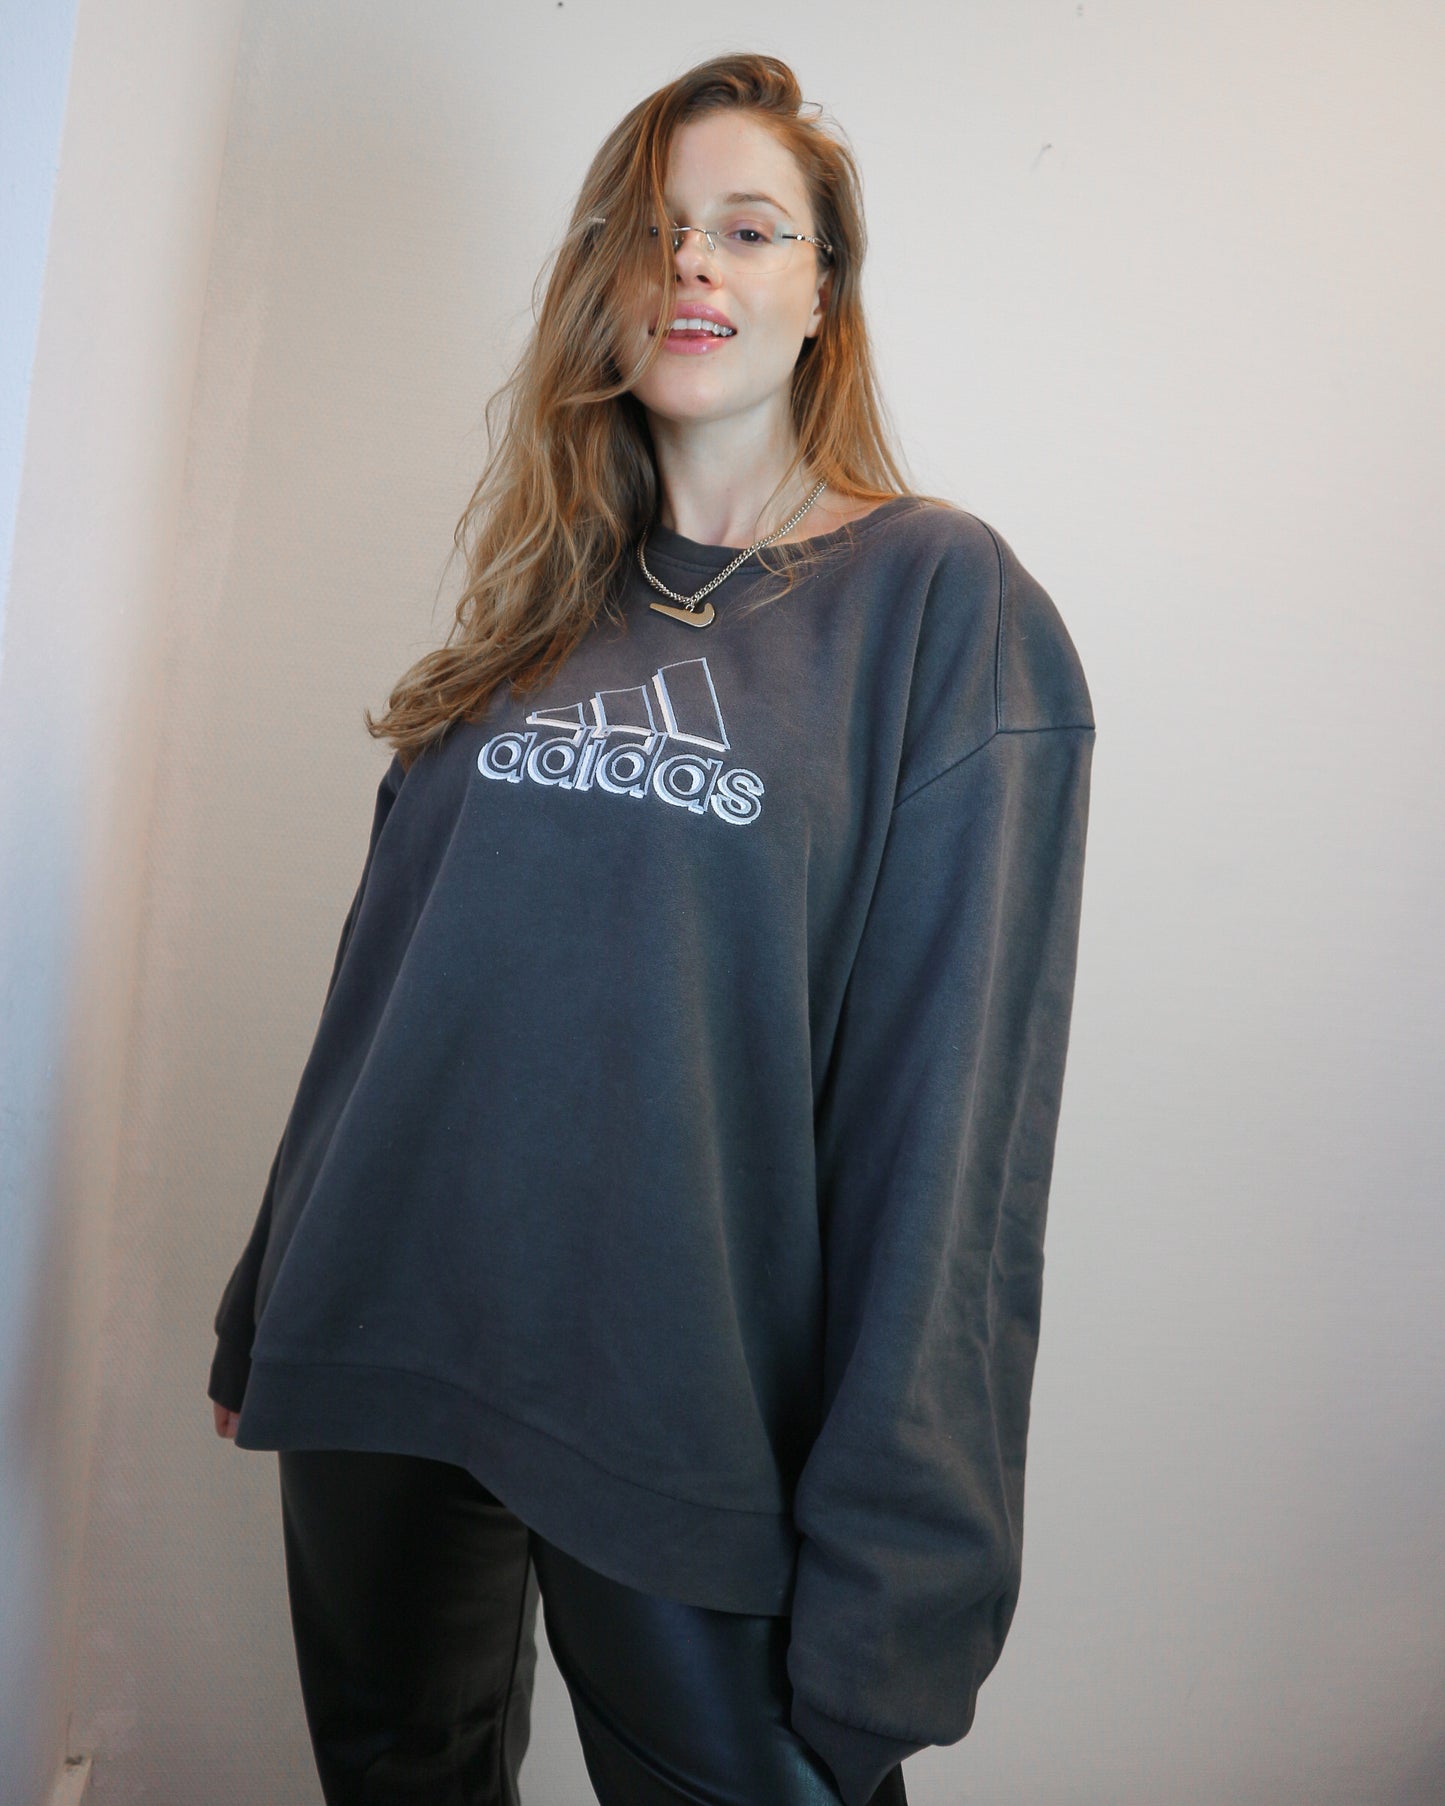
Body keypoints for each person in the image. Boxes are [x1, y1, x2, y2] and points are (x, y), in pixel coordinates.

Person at [207, 49, 1096, 1806]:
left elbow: (957, 1130)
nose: (690, 262)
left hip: (688, 1415)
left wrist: (903, 1562)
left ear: (821, 293)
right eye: (649, 230)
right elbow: (385, 990)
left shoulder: (939, 604)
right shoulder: (535, 614)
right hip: (379, 1345)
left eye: (747, 229)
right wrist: (262, 1306)